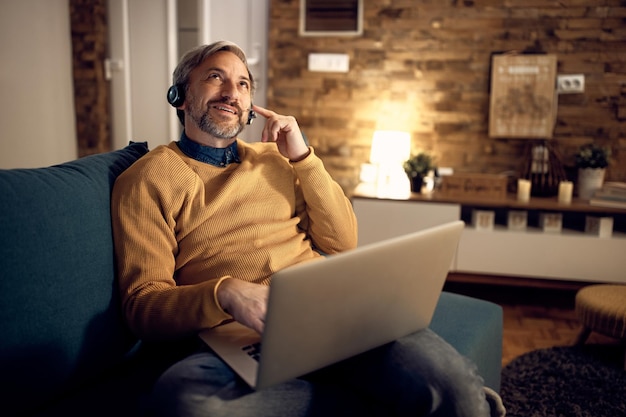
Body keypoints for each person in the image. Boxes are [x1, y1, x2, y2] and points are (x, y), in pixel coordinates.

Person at [111, 41, 504, 417]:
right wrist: (225, 293)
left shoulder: (276, 159)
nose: (232, 92)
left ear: (250, 107)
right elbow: (142, 306)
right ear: (179, 95)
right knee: (187, 402)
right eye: (216, 77)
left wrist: (302, 156)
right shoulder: (147, 179)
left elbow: (342, 241)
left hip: (333, 313)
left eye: (244, 83)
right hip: (239, 337)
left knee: (456, 392)